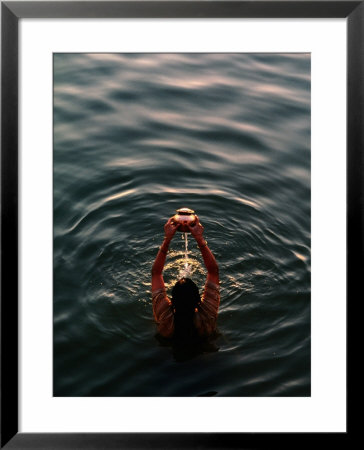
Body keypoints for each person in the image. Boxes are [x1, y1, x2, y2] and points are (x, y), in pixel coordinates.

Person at [151, 215, 220, 341]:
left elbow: (156, 273)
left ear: (171, 302)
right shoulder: (207, 317)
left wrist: (167, 239)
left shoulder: (165, 320)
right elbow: (213, 271)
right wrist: (199, 239)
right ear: (199, 301)